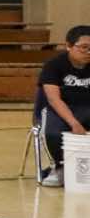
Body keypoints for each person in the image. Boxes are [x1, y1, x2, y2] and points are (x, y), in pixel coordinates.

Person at [35, 25, 90, 185]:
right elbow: (54, 99)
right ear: (69, 46)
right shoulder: (53, 66)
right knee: (53, 133)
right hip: (59, 110)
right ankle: (59, 167)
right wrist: (74, 123)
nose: (88, 52)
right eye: (84, 47)